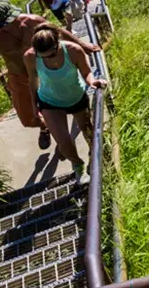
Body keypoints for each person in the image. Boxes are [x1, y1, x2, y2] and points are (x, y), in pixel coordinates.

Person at [0, 0, 99, 149]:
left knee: (65, 105)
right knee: (28, 120)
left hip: (43, 72)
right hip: (19, 79)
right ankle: (44, 126)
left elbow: (59, 32)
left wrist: (84, 45)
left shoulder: (32, 22)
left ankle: (65, 141)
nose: (2, 28)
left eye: (5, 22)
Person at [24, 24, 106, 184]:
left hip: (75, 97)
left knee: (87, 129)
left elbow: (86, 71)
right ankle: (78, 166)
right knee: (63, 140)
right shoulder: (30, 56)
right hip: (49, 101)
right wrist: (34, 105)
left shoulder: (73, 50)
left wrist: (92, 81)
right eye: (43, 56)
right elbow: (32, 81)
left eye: (52, 54)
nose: (48, 58)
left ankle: (95, 154)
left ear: (57, 43)